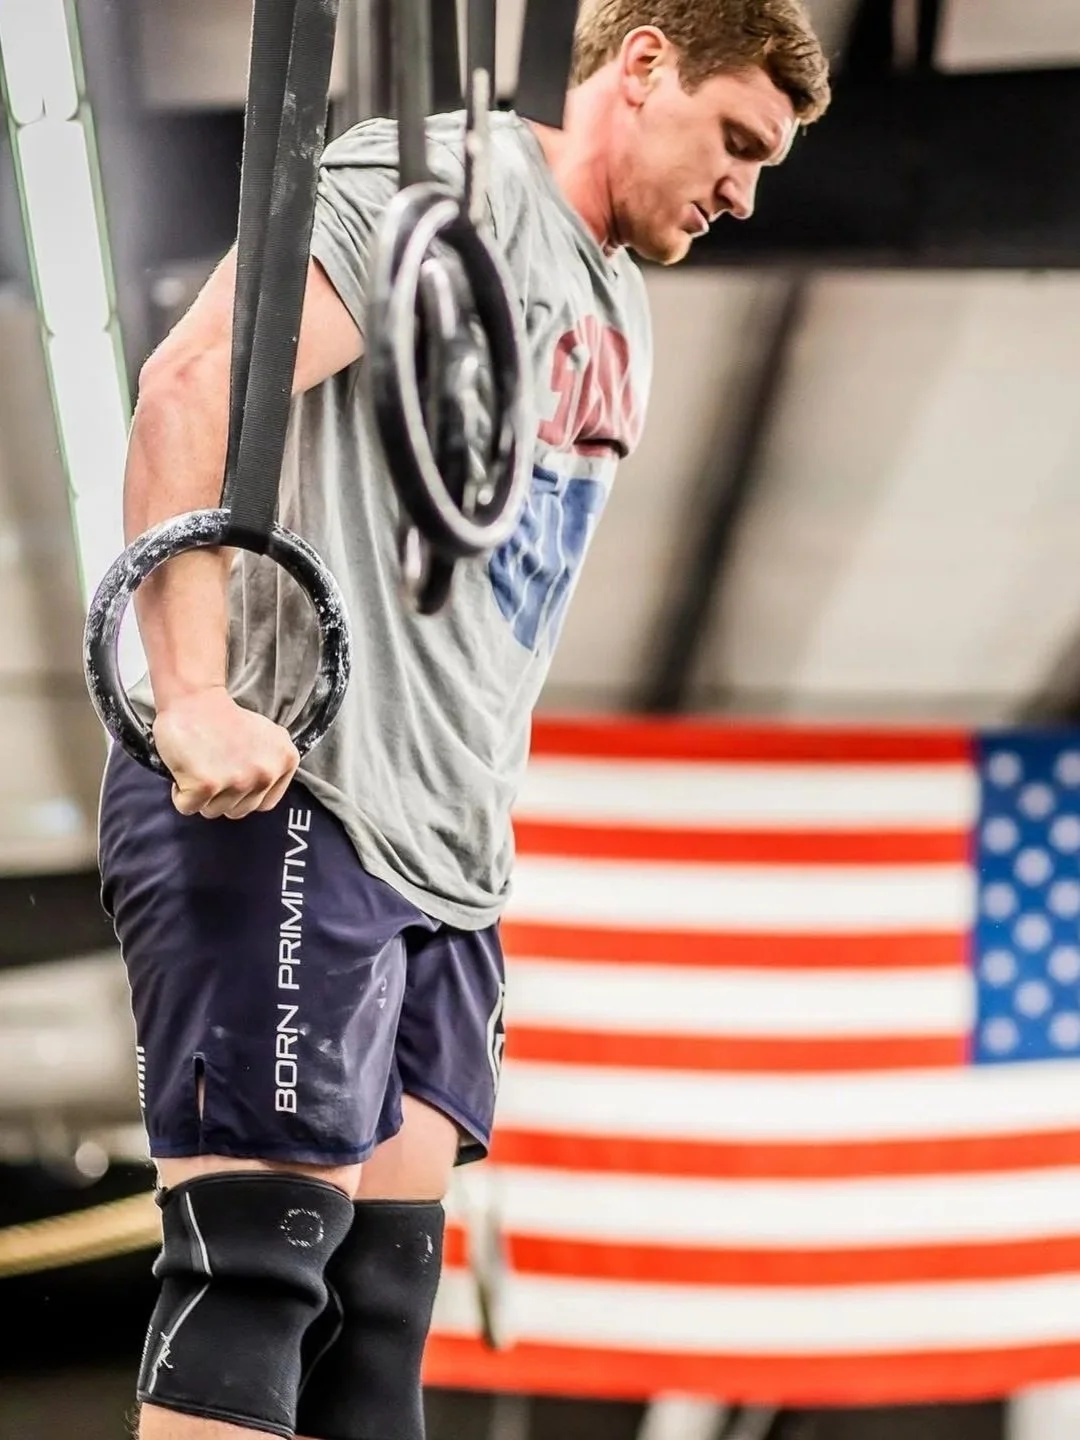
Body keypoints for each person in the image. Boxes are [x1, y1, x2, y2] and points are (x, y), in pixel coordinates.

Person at [97, 2, 830, 1438]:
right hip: (300, 795)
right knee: (256, 1276)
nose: (745, 192)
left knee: (377, 1329)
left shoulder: (619, 308)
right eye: (738, 141)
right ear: (644, 65)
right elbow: (189, 383)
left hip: (446, 864)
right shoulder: (451, 188)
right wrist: (190, 694)